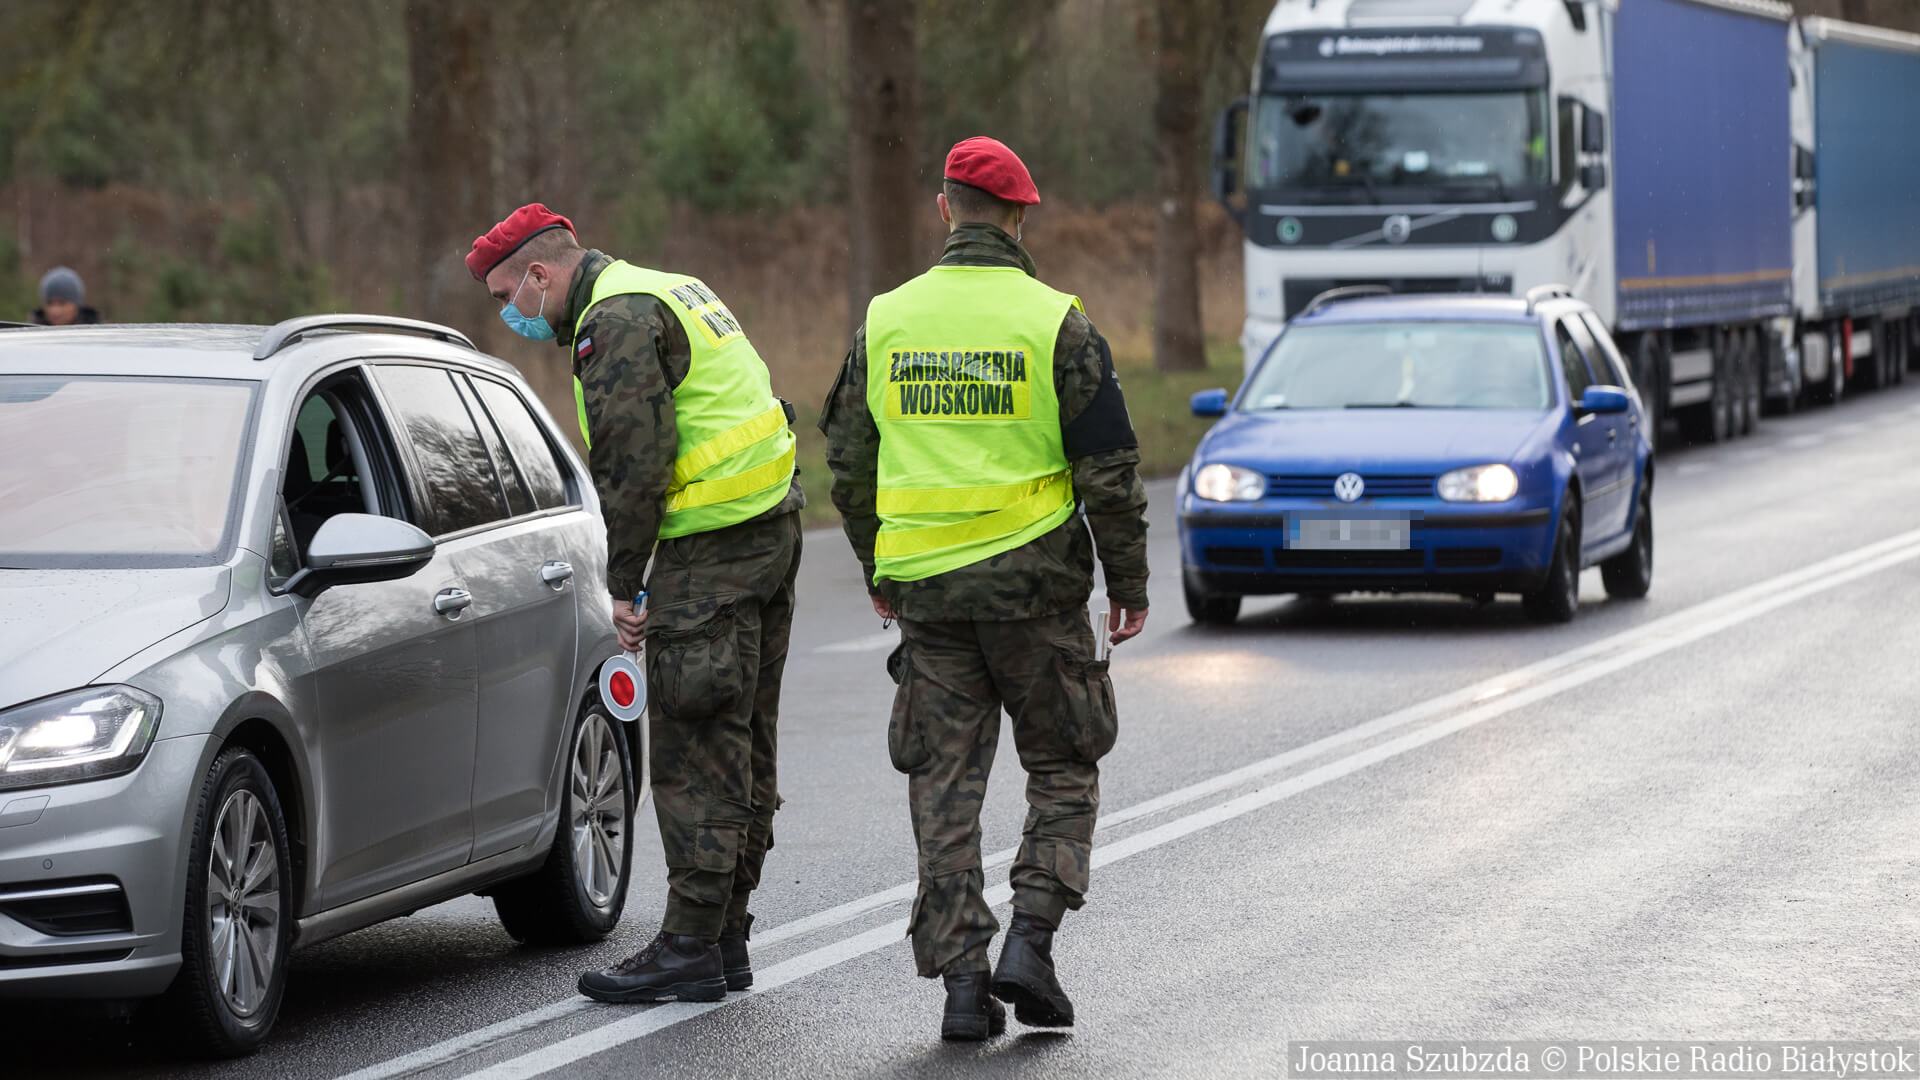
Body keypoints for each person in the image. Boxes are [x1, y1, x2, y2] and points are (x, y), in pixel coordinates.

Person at [820, 137, 1150, 1041]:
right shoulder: (1056, 322)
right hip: (1038, 593)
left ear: (944, 209)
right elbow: (1110, 470)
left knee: (944, 787)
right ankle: (1030, 943)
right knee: (1064, 764)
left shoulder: (886, 321)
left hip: (928, 597)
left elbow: (848, 459)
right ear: (1019, 215)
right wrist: (1128, 581)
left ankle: (964, 986)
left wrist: (878, 564)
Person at [466, 204, 803, 1004]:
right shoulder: (670, 287)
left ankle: (690, 945)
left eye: (508, 295)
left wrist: (623, 586)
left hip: (711, 556)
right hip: (769, 531)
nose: (512, 313)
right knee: (744, 745)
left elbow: (633, 465)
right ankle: (724, 936)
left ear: (540, 274)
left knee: (696, 754)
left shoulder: (611, 323)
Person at [31, 267, 101, 326]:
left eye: (62, 303)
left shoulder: (98, 335)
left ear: (77, 305)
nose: (55, 311)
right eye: (50, 303)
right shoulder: (31, 335)